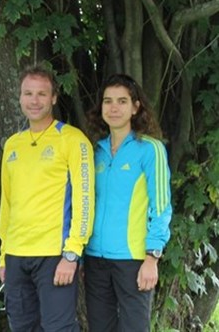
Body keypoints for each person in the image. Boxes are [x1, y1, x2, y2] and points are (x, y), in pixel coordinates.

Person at [0, 65, 95, 331]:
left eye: (42, 93)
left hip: (54, 255)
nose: (34, 100)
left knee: (58, 328)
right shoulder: (12, 144)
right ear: (19, 98)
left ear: (53, 98)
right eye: (28, 93)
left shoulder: (72, 140)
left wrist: (72, 254)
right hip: (16, 255)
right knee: (21, 327)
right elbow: (8, 203)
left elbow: (85, 200)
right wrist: (4, 256)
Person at [84, 74, 172, 331]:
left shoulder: (150, 149)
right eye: (107, 101)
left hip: (133, 259)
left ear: (135, 107)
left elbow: (161, 206)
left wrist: (152, 257)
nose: (114, 108)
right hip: (95, 258)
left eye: (122, 101)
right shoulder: (94, 150)